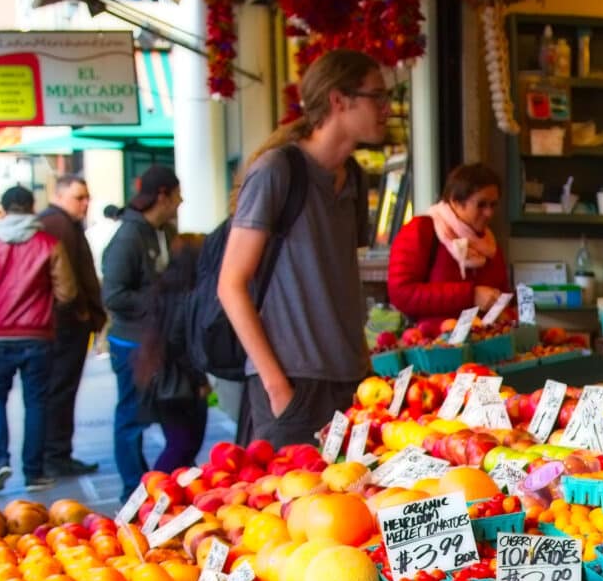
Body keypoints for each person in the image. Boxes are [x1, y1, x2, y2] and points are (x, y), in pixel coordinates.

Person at [219, 49, 380, 449]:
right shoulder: (278, 170)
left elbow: (341, 277)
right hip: (292, 382)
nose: (387, 108)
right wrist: (276, 386)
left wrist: (365, 366)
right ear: (338, 101)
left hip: (351, 382)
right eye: (377, 96)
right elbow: (231, 285)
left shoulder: (355, 179)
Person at [0, 185, 77, 492]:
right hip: (37, 334)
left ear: (5, 208)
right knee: (36, 402)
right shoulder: (48, 244)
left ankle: (0, 461)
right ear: (31, 207)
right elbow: (67, 291)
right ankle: (33, 471)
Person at [103, 166, 181, 495]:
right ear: (162, 195)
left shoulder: (160, 231)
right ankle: (132, 490)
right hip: (131, 342)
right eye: (178, 194)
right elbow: (114, 295)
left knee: (158, 415)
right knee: (132, 417)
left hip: (153, 340)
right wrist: (159, 301)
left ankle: (149, 484)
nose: (182, 201)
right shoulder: (128, 238)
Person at [38, 174, 107, 478]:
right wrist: (78, 314)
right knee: (60, 391)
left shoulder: (65, 223)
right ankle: (55, 454)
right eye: (79, 197)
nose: (85, 203)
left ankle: (56, 452)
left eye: (87, 197)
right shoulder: (57, 224)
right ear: (59, 195)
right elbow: (63, 280)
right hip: (64, 326)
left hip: (69, 323)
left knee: (62, 390)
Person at [386, 163, 511, 328]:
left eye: (493, 205)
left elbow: (501, 293)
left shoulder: (489, 243)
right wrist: (470, 295)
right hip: (432, 346)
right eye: (481, 205)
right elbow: (401, 294)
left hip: (486, 345)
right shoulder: (422, 230)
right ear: (455, 201)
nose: (489, 213)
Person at [131, 236, 209, 474]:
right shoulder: (188, 296)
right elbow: (179, 343)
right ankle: (151, 494)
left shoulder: (163, 289)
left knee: (181, 445)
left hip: (162, 379)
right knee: (182, 445)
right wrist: (199, 379)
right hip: (177, 384)